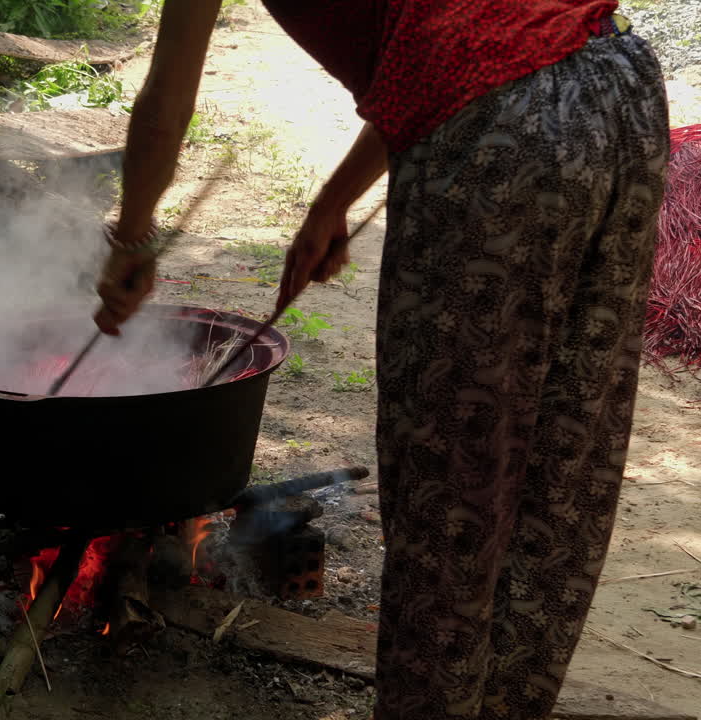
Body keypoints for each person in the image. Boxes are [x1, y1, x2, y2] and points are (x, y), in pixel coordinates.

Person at [93, 2, 670, 719]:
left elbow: (168, 97)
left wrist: (133, 239)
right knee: (563, 472)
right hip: (622, 90)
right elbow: (453, 47)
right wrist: (333, 201)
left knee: (452, 503)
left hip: (502, 147)